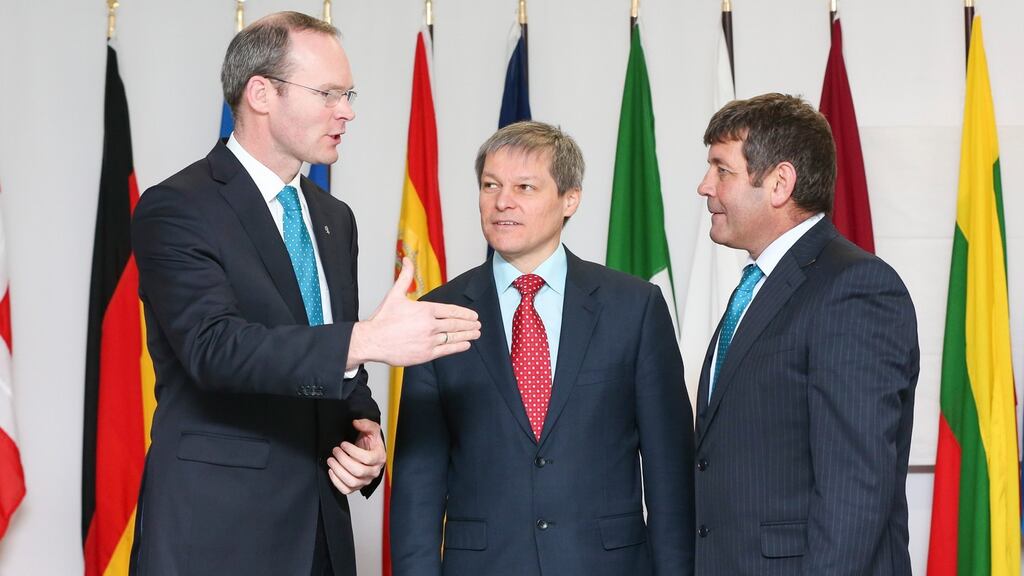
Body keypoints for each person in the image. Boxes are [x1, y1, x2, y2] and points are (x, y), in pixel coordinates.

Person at [129, 12, 480, 576]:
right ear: (262, 93)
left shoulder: (332, 218)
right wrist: (366, 339)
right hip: (217, 533)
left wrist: (363, 433)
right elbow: (214, 349)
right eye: (328, 93)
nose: (347, 110)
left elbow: (327, 354)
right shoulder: (178, 207)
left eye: (349, 93)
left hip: (321, 532)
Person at [390, 121, 695, 576]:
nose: (502, 202)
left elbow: (670, 472)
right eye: (490, 185)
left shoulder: (634, 307)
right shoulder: (438, 313)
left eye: (525, 187)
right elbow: (418, 482)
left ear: (569, 199)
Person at [692, 93, 918, 575]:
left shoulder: (854, 289)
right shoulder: (757, 287)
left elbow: (855, 490)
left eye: (721, 169)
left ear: (779, 183)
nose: (704, 186)